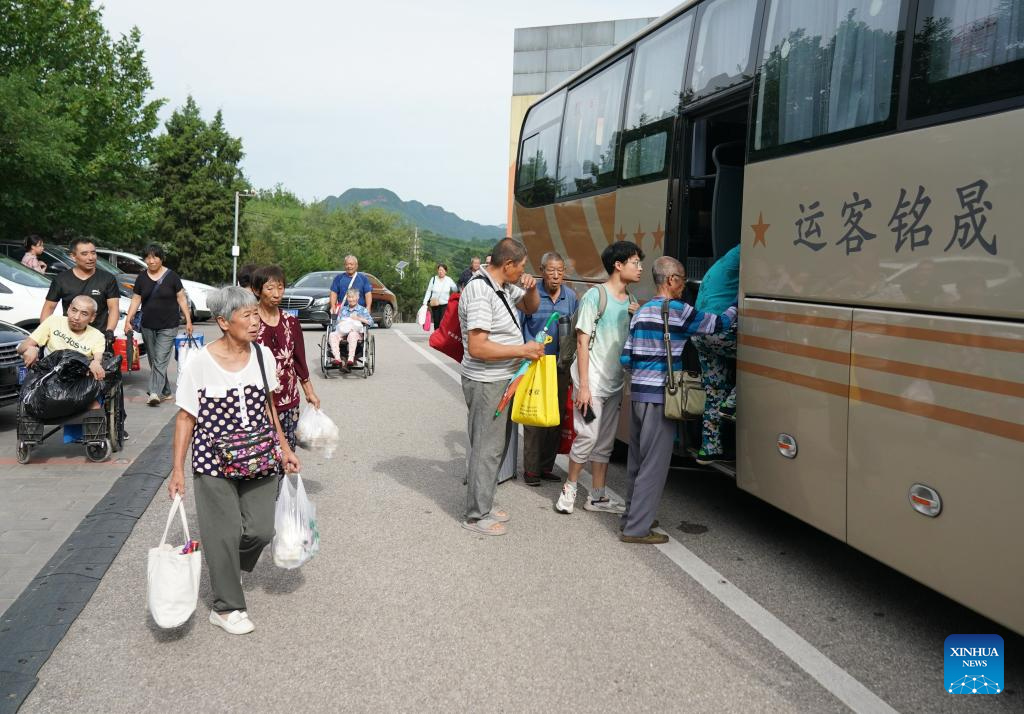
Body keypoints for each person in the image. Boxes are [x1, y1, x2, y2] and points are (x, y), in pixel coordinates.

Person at [169, 287, 301, 635]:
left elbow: (271, 407)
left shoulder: (263, 356)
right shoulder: (199, 363)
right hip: (213, 463)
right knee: (223, 534)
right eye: (248, 316)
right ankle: (227, 607)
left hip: (259, 457)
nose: (256, 322)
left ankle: (223, 565)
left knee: (261, 530)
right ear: (223, 322)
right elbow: (185, 418)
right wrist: (177, 470)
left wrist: (285, 448)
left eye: (257, 315)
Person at [618, 257, 737, 543]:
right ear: (671, 280)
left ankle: (631, 517)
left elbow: (626, 357)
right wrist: (737, 303)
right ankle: (637, 530)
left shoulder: (643, 310)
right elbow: (717, 324)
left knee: (637, 461)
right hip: (662, 397)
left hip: (638, 395)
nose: (685, 285)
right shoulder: (680, 312)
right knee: (654, 466)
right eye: (682, 279)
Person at [459, 238, 542, 536]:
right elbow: (479, 347)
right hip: (486, 381)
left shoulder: (504, 286)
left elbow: (531, 307)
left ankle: (484, 502)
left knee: (497, 446)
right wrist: (523, 351)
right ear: (507, 265)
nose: (522, 271)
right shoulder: (481, 291)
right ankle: (476, 515)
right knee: (486, 448)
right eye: (520, 266)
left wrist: (531, 288)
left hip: (501, 379)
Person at [555, 241, 643, 516]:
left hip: (615, 383)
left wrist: (637, 316)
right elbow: (582, 343)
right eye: (634, 262)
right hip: (590, 383)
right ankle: (569, 488)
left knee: (605, 441)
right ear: (618, 265)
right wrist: (583, 386)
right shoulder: (595, 297)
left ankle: (597, 496)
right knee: (588, 436)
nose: (639, 268)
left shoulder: (631, 301)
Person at [521, 251, 577, 487]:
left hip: (561, 364)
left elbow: (577, 328)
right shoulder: (531, 294)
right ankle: (531, 470)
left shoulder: (571, 297)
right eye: (551, 271)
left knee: (556, 417)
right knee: (534, 417)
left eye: (560, 271)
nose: (556, 275)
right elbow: (520, 325)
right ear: (542, 271)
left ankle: (546, 466)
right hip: (536, 364)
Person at [253, 265, 320, 449]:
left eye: (280, 287)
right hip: (258, 402)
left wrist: (309, 392)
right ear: (256, 290)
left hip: (288, 399)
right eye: (270, 288)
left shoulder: (291, 321)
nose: (276, 294)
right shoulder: (249, 321)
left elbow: (299, 360)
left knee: (287, 449)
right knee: (262, 454)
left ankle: (283, 478)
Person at [123, 244, 193, 407]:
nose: (151, 260)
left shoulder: (172, 277)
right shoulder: (141, 278)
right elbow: (136, 299)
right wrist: (128, 319)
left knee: (161, 359)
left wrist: (188, 320)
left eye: (155, 257)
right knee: (155, 360)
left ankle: (154, 392)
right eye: (148, 257)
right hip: (148, 324)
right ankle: (166, 391)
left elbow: (181, 299)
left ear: (161, 258)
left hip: (169, 325)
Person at [690, 245, 740, 464]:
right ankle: (733, 401)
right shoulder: (747, 250)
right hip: (720, 329)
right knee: (763, 360)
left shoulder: (725, 261)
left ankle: (709, 448)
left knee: (714, 390)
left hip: (700, 333)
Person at [40, 236, 120, 337]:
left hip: (97, 337)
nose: (91, 257)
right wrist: (44, 333)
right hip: (68, 337)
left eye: (93, 253)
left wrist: (109, 332)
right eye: (84, 254)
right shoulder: (61, 279)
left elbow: (113, 308)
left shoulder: (108, 278)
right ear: (73, 256)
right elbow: (49, 308)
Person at [18, 296, 107, 384]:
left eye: (84, 314)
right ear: (68, 309)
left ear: (92, 317)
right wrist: (31, 348)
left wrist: (96, 363)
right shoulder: (53, 321)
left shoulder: (97, 336)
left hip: (75, 384)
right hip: (46, 378)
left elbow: (97, 359)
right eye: (74, 310)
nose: (76, 317)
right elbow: (21, 348)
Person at [329, 288, 374, 369]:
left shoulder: (362, 310)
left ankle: (350, 359)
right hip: (343, 333)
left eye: (353, 297)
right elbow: (336, 324)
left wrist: (359, 319)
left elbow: (371, 322)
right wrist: (341, 322)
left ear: (357, 298)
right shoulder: (343, 309)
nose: (351, 299)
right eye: (349, 297)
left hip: (356, 333)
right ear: (347, 298)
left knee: (352, 334)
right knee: (332, 334)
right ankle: (337, 359)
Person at [422, 263, 458, 330]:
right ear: (437, 271)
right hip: (435, 304)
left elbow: (455, 289)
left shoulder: (448, 280)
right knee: (436, 321)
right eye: (439, 270)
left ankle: (441, 337)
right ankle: (436, 335)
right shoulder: (433, 279)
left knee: (443, 321)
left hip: (445, 304)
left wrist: (457, 288)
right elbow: (429, 291)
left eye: (442, 270)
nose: (440, 272)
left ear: (445, 271)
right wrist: (424, 302)